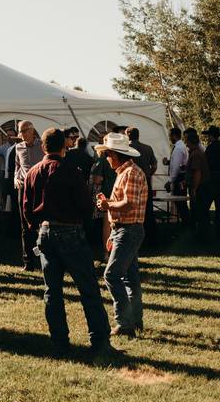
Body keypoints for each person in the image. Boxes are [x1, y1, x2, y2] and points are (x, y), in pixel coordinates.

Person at [22, 127, 111, 356]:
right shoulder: (71, 170)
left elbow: (26, 208)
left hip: (45, 232)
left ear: (43, 147)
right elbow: (84, 205)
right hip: (69, 231)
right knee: (88, 288)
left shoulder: (33, 172)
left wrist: (35, 227)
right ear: (64, 146)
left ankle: (60, 342)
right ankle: (100, 340)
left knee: (52, 290)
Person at [95, 132, 148, 337]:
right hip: (125, 229)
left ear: (114, 155)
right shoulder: (126, 172)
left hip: (128, 230)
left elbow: (128, 204)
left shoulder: (130, 173)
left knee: (112, 275)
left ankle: (125, 323)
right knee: (130, 278)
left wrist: (108, 204)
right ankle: (134, 321)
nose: (106, 159)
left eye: (106, 155)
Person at [14, 121, 44, 269]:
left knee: (41, 224)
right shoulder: (18, 147)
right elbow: (17, 166)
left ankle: (42, 258)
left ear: (32, 130)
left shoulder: (42, 145)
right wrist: (15, 178)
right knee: (25, 226)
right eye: (20, 131)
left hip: (40, 189)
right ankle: (28, 261)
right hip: (24, 189)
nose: (22, 134)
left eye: (25, 131)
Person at [126, 127, 158, 246]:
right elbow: (154, 165)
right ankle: (151, 237)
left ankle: (133, 238)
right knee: (147, 209)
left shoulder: (126, 149)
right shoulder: (148, 148)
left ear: (127, 135)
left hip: (130, 181)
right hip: (146, 181)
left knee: (130, 209)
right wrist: (148, 174)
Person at [184, 129, 212, 242]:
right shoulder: (198, 152)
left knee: (199, 212)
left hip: (200, 187)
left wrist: (194, 188)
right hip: (202, 186)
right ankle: (202, 235)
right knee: (201, 212)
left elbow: (197, 172)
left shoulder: (195, 154)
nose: (185, 144)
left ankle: (202, 236)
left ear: (191, 142)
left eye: (186, 141)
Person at [163, 126, 189, 224]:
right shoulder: (180, 146)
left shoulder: (178, 148)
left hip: (179, 178)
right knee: (181, 202)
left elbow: (177, 167)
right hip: (179, 177)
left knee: (180, 203)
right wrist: (168, 162)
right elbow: (178, 163)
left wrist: (170, 181)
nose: (170, 138)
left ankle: (187, 223)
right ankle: (186, 222)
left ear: (174, 136)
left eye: (170, 136)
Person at [202, 125, 220, 239]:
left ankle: (206, 231)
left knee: (204, 206)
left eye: (208, 135)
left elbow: (205, 163)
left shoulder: (210, 148)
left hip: (212, 179)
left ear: (211, 136)